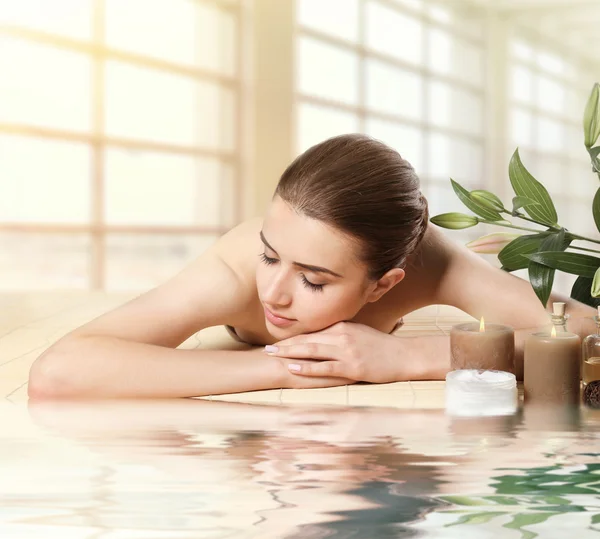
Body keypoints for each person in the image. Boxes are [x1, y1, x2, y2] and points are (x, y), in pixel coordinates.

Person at [27, 134, 595, 399]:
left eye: (312, 280)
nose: (273, 292)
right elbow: (60, 372)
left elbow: (585, 338)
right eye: (271, 254)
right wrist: (289, 367)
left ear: (386, 284)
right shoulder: (235, 273)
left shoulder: (430, 263)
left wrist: (407, 357)